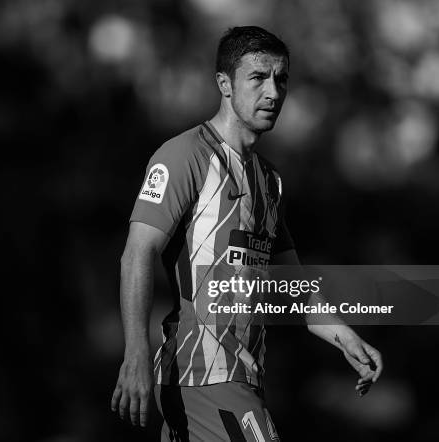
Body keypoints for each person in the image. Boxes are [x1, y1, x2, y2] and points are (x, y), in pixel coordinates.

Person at [110, 26, 383, 441]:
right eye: (258, 78)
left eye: (281, 79)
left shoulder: (269, 182)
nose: (273, 92)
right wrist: (135, 354)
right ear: (224, 83)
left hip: (243, 375)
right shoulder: (185, 156)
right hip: (203, 376)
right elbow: (137, 254)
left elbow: (294, 287)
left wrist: (346, 338)